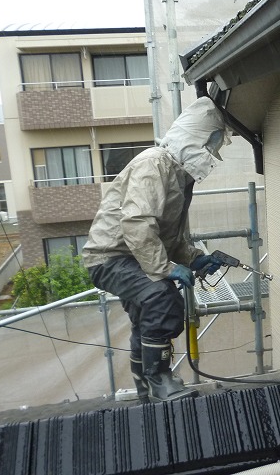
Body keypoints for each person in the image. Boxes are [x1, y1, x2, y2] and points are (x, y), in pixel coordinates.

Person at [82, 97, 229, 403]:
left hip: (131, 256)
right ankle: (159, 380)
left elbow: (169, 237)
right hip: (111, 258)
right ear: (196, 140)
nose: (212, 153)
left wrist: (195, 259)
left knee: (146, 317)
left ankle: (146, 390)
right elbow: (137, 223)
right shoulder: (154, 165)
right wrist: (165, 268)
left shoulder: (177, 174)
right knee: (162, 298)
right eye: (211, 144)